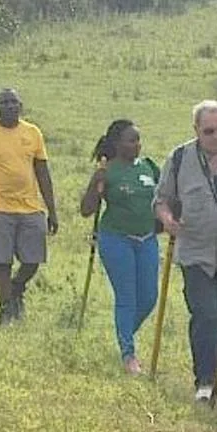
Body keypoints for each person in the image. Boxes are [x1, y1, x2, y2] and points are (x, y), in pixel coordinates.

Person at [157, 100, 217, 402]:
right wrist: (168, 220)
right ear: (196, 129)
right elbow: (161, 200)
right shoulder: (179, 159)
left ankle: (216, 378)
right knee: (205, 314)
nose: (215, 137)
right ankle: (204, 381)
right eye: (209, 131)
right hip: (194, 250)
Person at [0, 86, 59, 325]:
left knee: (32, 260)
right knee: (2, 262)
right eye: (4, 103)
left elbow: (42, 172)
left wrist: (52, 211)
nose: (10, 106)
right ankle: (5, 309)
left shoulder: (33, 132)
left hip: (30, 207)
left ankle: (16, 289)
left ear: (21, 106)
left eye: (14, 102)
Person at [79, 119, 161, 373]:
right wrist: (96, 183)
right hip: (116, 239)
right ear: (117, 144)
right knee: (126, 296)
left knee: (148, 297)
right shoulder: (108, 171)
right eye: (131, 140)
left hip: (147, 238)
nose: (137, 145)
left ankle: (124, 334)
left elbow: (164, 199)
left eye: (138, 139)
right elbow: (87, 210)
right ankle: (128, 355)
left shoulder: (148, 167)